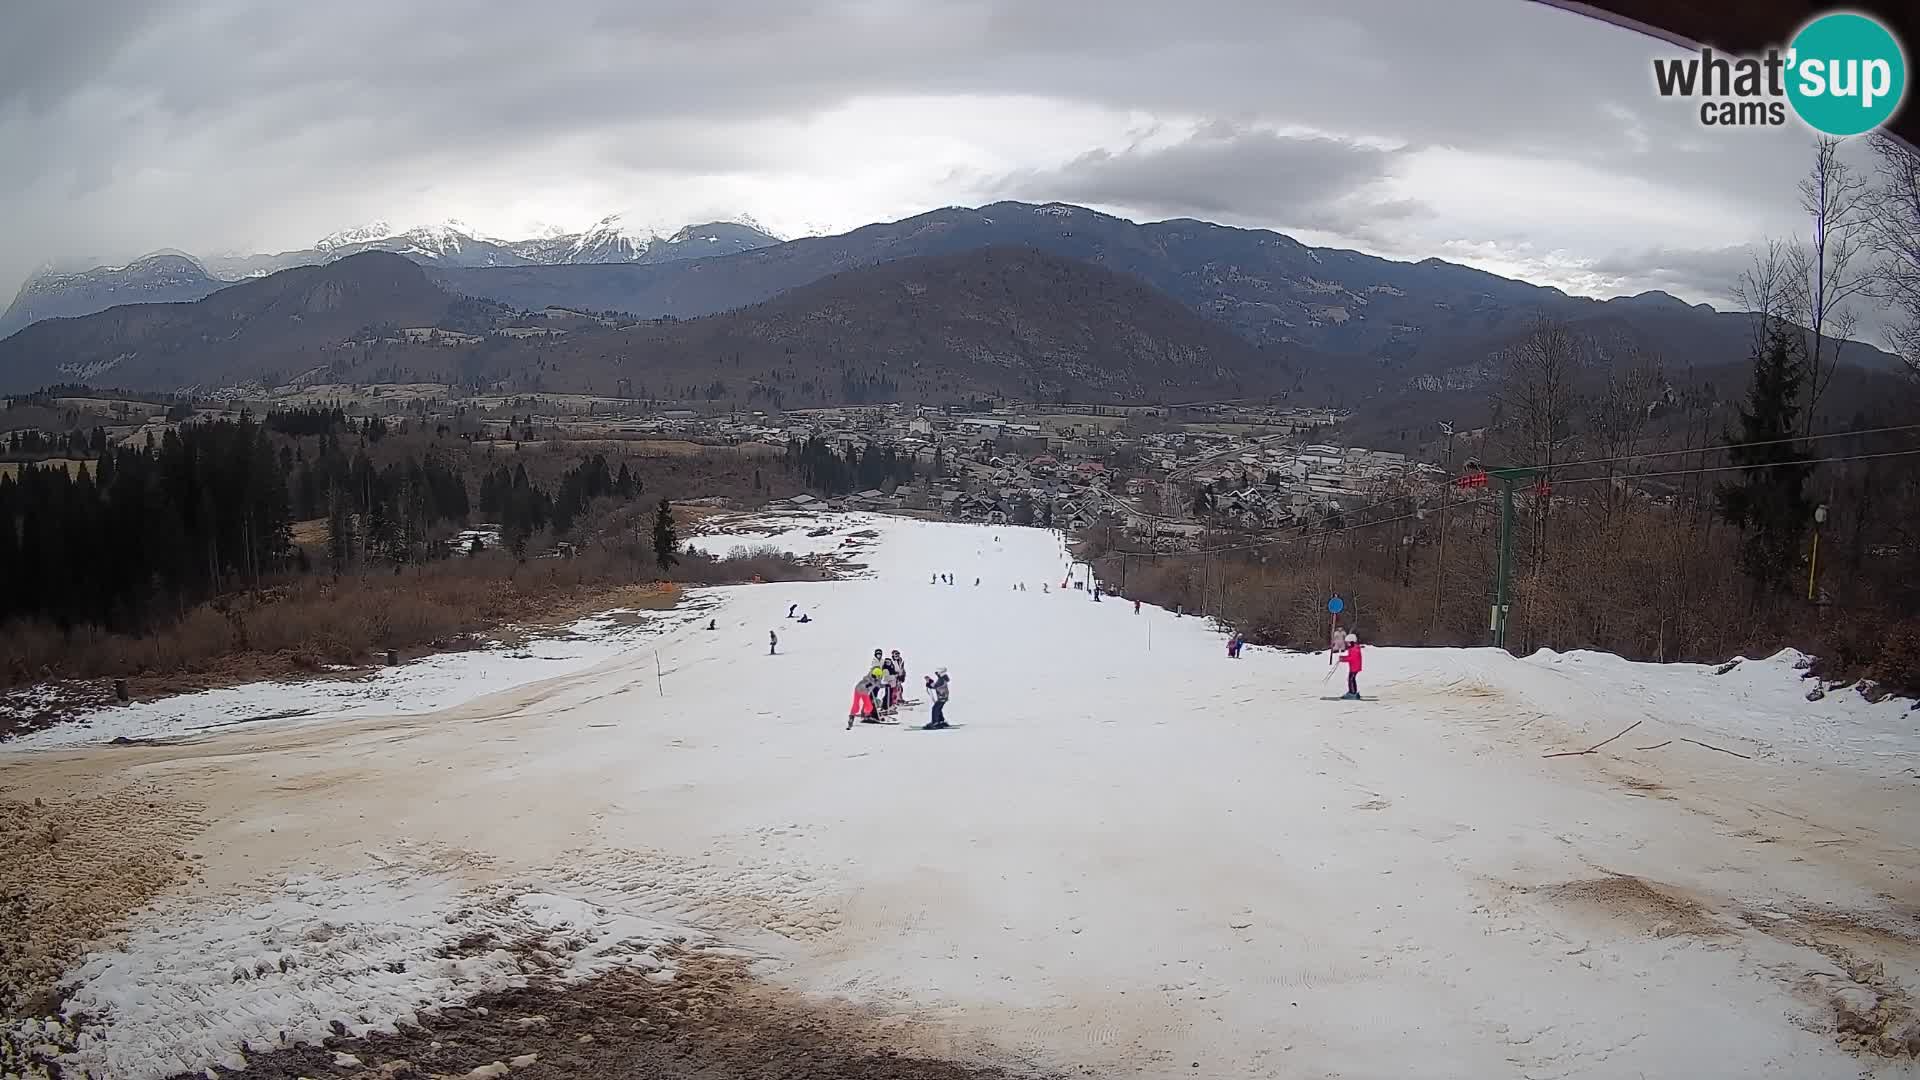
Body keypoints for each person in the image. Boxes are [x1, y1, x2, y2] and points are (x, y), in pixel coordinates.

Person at [1337, 633, 1363, 699]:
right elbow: (1350, 657)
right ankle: (1353, 692)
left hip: (1355, 667)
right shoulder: (1354, 648)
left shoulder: (1354, 649)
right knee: (1352, 679)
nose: (1347, 644)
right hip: (1354, 667)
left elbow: (1351, 658)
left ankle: (1352, 693)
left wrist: (1343, 659)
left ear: (1352, 642)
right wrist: (1342, 657)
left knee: (1351, 679)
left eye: (1348, 643)